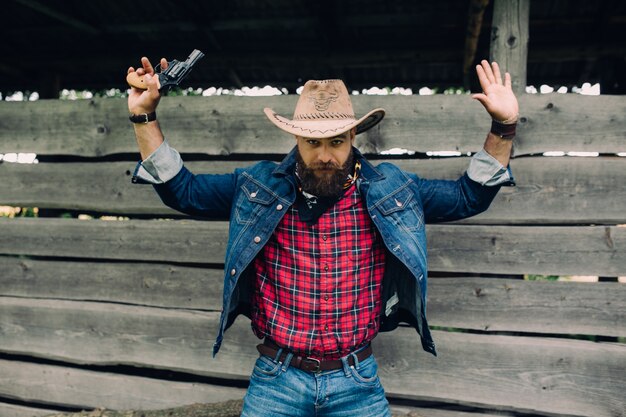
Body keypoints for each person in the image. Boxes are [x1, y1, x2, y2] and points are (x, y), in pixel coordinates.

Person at [127, 57, 518, 417]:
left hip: (358, 381)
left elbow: (469, 196)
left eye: (336, 142)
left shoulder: (392, 191)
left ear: (353, 137)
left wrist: (503, 128)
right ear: (296, 139)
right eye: (313, 142)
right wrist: (144, 117)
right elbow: (185, 192)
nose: (325, 155)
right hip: (276, 378)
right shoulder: (256, 186)